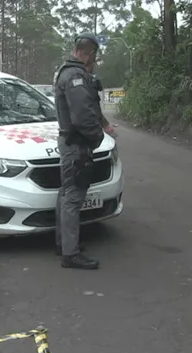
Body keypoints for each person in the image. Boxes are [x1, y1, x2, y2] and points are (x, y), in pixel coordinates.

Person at [52, 32, 116, 270]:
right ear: (86, 53)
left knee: (67, 192)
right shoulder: (75, 76)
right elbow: (82, 116)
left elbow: (91, 107)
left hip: (73, 143)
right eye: (93, 56)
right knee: (73, 196)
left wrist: (105, 124)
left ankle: (64, 243)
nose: (94, 61)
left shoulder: (75, 74)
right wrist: (99, 137)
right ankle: (70, 253)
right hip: (77, 145)